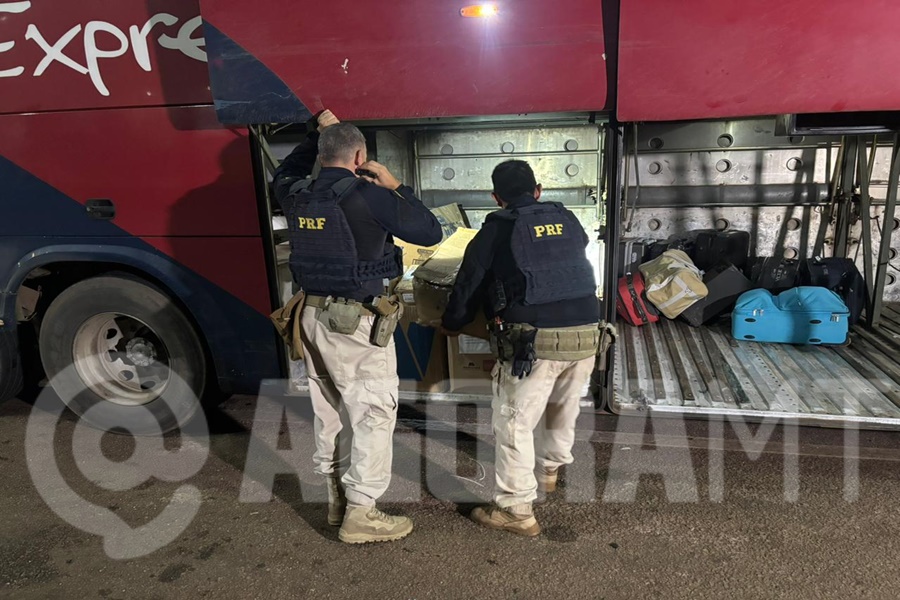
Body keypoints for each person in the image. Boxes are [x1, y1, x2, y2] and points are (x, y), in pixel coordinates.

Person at [273, 110, 442, 543]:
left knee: (329, 412)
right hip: (356, 323)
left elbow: (286, 170)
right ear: (361, 156)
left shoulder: (296, 193)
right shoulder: (368, 195)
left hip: (309, 319)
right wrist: (394, 184)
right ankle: (361, 513)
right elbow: (429, 232)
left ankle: (335, 500)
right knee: (371, 414)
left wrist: (316, 136)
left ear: (323, 154)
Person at [441, 159, 602, 537]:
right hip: (587, 335)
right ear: (538, 190)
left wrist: (451, 324)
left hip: (534, 343)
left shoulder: (497, 230)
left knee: (514, 423)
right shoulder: (569, 220)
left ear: (496, 198)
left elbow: (468, 284)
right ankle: (549, 470)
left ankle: (516, 510)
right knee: (564, 406)